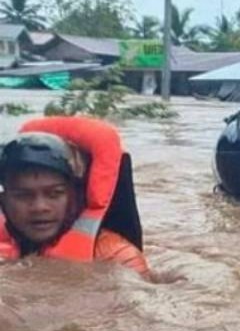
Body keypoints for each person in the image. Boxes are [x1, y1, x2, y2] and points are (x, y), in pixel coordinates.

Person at [0, 117, 150, 278]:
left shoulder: (118, 257)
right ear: (4, 201)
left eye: (55, 194)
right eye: (23, 196)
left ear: (75, 196)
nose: (39, 207)